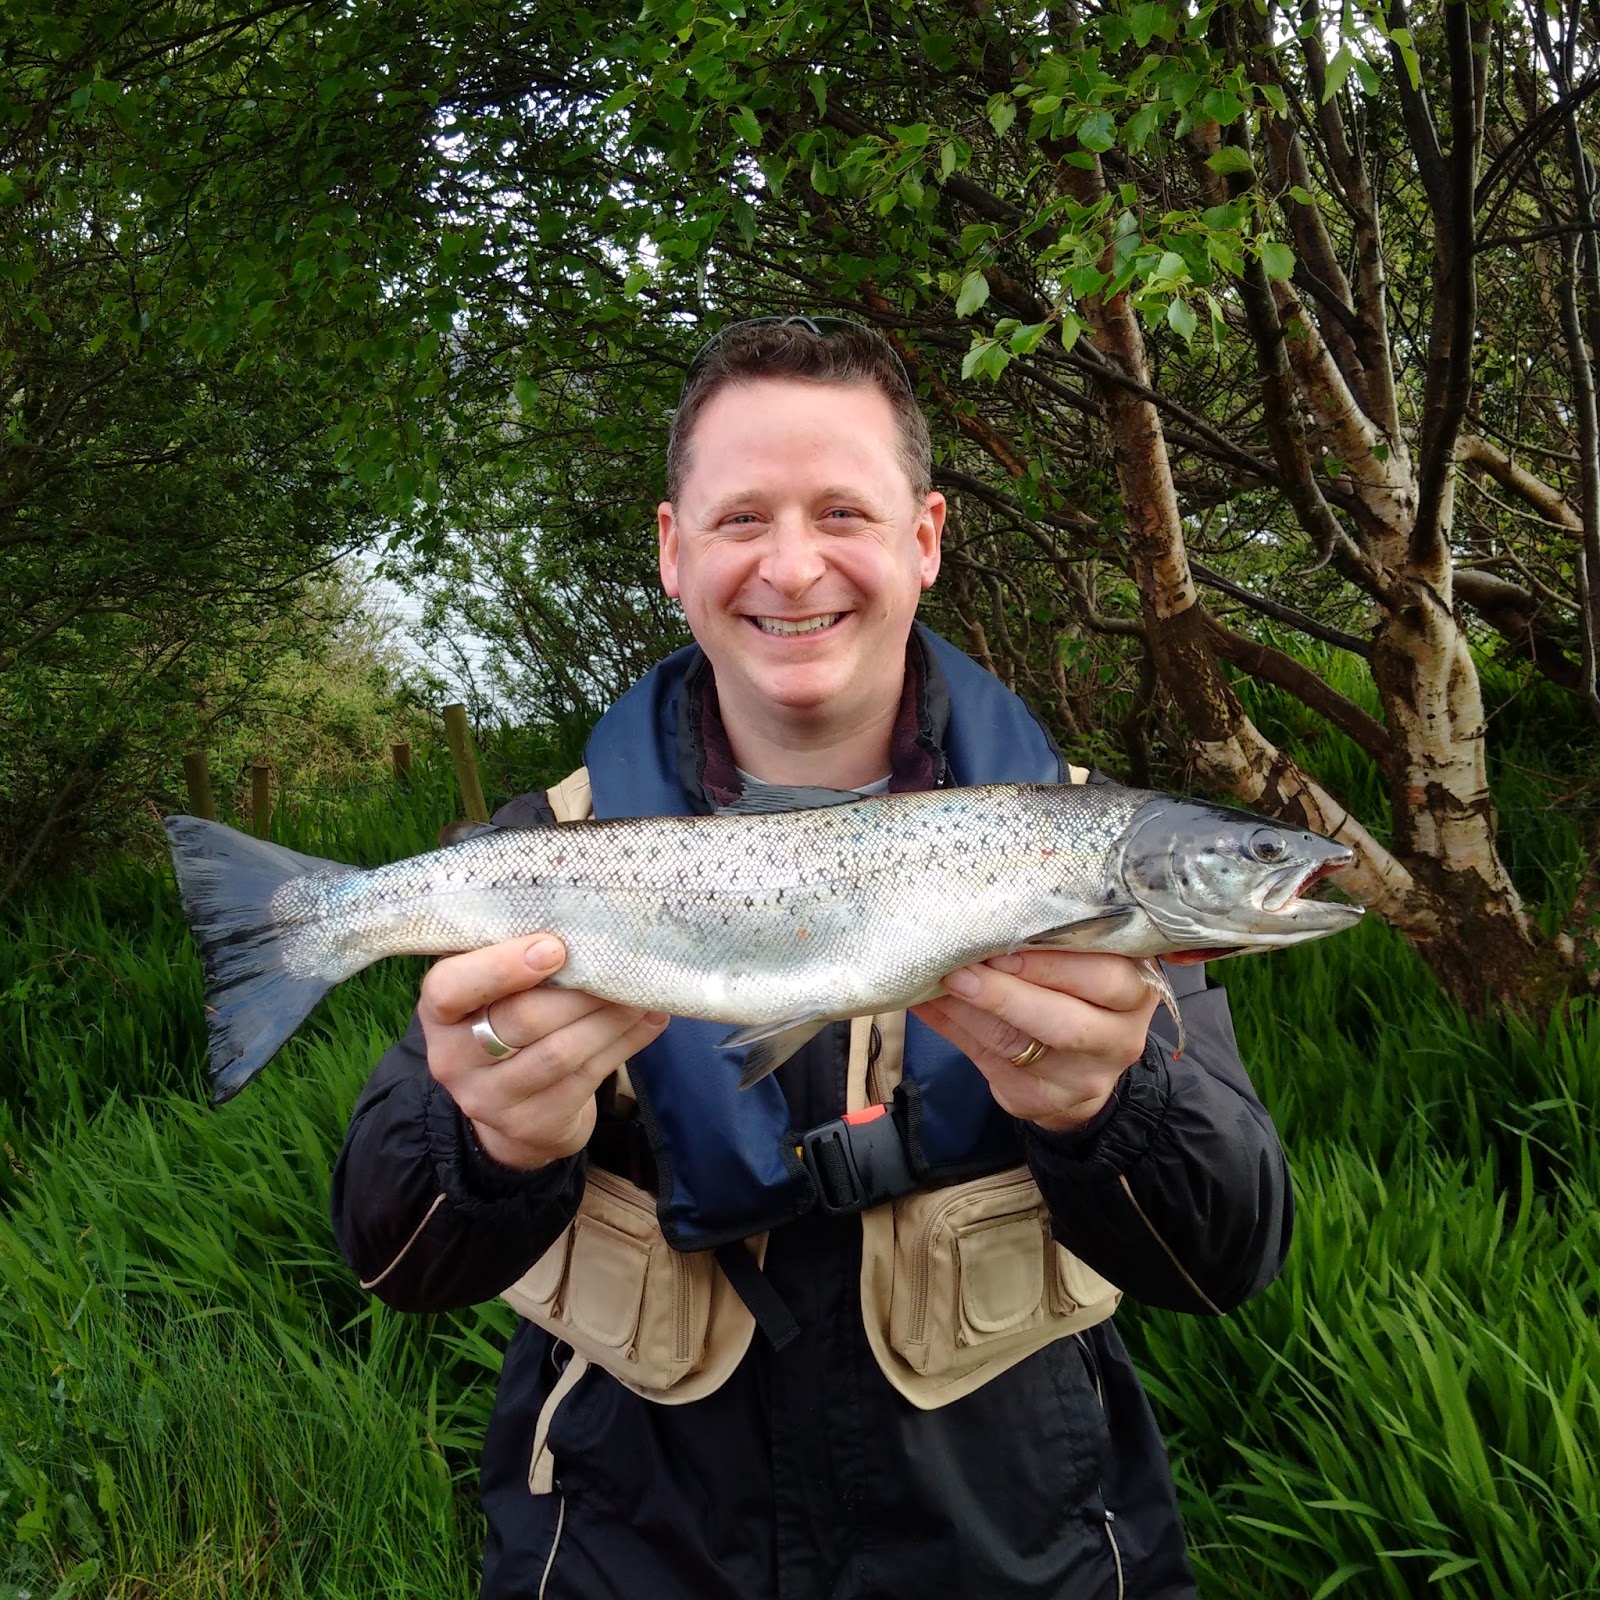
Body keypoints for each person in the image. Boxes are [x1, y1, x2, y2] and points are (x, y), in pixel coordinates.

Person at [331, 317, 1293, 1600]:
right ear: (673, 551)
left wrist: (1117, 1110)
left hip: (1018, 1552)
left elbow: (1226, 1254)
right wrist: (486, 1143)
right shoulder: (535, 855)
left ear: (925, 539)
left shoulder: (1076, 845)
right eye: (740, 520)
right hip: (629, 1555)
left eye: (843, 509)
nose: (792, 566)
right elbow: (390, 1260)